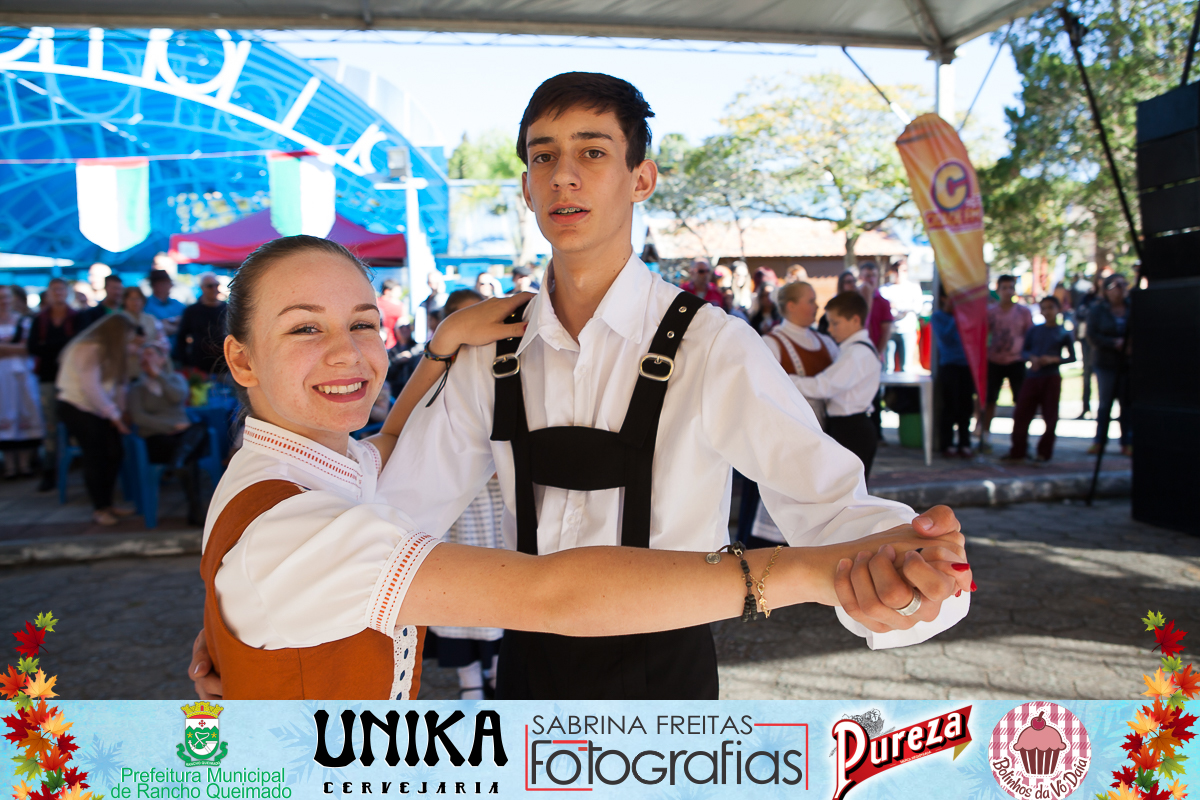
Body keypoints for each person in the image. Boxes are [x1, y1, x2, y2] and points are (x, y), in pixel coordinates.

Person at [355, 72, 970, 701]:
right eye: (544, 157)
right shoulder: (491, 351)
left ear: (641, 179)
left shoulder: (712, 345)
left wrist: (906, 569)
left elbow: (828, 501)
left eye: (593, 152)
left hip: (667, 681)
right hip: (526, 675)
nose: (564, 176)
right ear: (526, 189)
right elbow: (400, 507)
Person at [186, 235, 970, 700]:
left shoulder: (325, 470)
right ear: (240, 359)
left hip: (669, 670)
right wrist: (803, 572)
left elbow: (382, 455)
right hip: (528, 661)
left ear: (641, 175)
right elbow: (550, 593)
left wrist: (440, 347)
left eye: (363, 324)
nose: (346, 352)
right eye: (304, 329)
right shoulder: (291, 530)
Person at [747, 281, 838, 549]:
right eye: (810, 301)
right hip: (784, 435)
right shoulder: (772, 342)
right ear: (791, 306)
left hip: (821, 431)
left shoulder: (824, 342)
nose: (816, 306)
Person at [56, 314, 141, 526]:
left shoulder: (113, 353)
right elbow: (90, 388)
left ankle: (108, 503)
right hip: (77, 406)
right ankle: (100, 508)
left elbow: (120, 386)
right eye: (127, 337)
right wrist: (114, 416)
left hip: (99, 409)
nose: (129, 342)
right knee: (96, 456)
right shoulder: (88, 348)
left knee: (115, 452)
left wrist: (119, 412)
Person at [793, 291, 882, 477]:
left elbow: (823, 387)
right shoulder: (853, 350)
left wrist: (786, 379)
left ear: (855, 320)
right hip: (849, 426)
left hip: (851, 428)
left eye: (835, 323)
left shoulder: (856, 354)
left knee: (846, 488)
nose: (830, 330)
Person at [128, 343, 209, 525]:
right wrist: (171, 426)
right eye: (143, 355)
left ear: (162, 359)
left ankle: (177, 463)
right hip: (157, 437)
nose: (146, 358)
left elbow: (178, 397)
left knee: (200, 429)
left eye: (150, 354)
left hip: (183, 435)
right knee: (190, 456)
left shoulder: (175, 379)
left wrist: (159, 376)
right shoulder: (136, 388)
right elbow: (139, 418)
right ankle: (196, 512)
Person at [1004, 296, 1076, 463]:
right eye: (1044, 308)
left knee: (1050, 416)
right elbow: (1024, 351)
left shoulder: (1063, 332)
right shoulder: (1034, 330)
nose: (1047, 311)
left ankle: (1044, 453)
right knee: (1021, 413)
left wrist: (1053, 359)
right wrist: (1032, 358)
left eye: (1051, 307)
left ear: (1058, 309)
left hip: (1051, 376)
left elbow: (1072, 357)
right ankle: (1018, 451)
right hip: (1033, 376)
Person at [25, 278, 79, 491]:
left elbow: (77, 344)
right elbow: (33, 348)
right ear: (48, 293)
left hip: (72, 378)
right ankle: (50, 471)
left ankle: (78, 467)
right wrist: (61, 346)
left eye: (61, 289)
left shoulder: (75, 317)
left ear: (67, 292)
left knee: (75, 422)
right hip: (48, 377)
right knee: (51, 425)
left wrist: (48, 346)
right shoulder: (40, 320)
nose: (58, 293)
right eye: (54, 290)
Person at [978, 274, 1033, 454]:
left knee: (1021, 401)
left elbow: (1030, 336)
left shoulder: (1023, 312)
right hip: (994, 361)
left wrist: (1029, 356)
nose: (1008, 291)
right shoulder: (990, 312)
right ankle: (985, 437)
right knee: (989, 400)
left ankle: (1020, 439)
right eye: (1004, 288)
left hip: (1017, 361)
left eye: (1011, 288)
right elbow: (982, 334)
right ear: (998, 290)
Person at [0, 285, 44, 480]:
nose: (4, 301)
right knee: (4, 412)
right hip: (2, 376)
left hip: (23, 375)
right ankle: (10, 465)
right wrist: (15, 347)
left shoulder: (24, 321)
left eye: (6, 297)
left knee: (26, 410)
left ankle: (25, 463)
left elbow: (29, 348)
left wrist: (4, 348)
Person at [1087, 274, 1132, 456]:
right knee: (1105, 403)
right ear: (1106, 290)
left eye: (1123, 284)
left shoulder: (1132, 308)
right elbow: (1092, 336)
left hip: (1127, 363)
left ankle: (1127, 442)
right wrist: (1114, 343)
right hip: (1106, 363)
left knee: (1127, 403)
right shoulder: (1097, 310)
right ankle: (1099, 441)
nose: (1120, 289)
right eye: (1116, 285)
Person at [930, 290, 975, 459]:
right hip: (949, 365)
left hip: (967, 365)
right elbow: (946, 338)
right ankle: (947, 444)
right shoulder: (938, 317)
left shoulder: (967, 316)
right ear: (944, 298)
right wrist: (957, 316)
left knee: (966, 406)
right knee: (949, 406)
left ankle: (965, 443)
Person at [173, 272, 227, 377]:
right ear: (202, 288)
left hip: (225, 367)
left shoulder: (227, 309)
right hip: (199, 367)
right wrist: (185, 364)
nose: (214, 289)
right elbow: (181, 338)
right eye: (210, 286)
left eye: (216, 285)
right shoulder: (192, 311)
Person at [880, 259, 922, 373]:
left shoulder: (913, 288)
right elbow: (884, 309)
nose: (899, 273)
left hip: (907, 330)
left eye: (903, 270)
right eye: (896, 270)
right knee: (888, 367)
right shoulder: (884, 289)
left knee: (906, 367)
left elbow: (917, 307)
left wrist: (898, 306)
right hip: (889, 331)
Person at [1072, 274, 1102, 420]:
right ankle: (1086, 408)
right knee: (1087, 374)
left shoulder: (1114, 301)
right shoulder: (1088, 298)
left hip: (1106, 345)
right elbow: (1079, 314)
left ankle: (1105, 410)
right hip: (1088, 341)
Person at [145, 269, 186, 344]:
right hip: (156, 348)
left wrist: (166, 322)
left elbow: (187, 322)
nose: (171, 286)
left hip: (178, 348)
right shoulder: (146, 305)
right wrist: (176, 324)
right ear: (156, 285)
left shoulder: (177, 304)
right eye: (167, 283)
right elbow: (151, 328)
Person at [818, 269, 858, 335]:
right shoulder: (835, 304)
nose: (852, 284)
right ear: (841, 284)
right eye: (849, 282)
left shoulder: (857, 303)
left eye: (854, 281)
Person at [377, 279, 407, 350]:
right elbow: (403, 326)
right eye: (397, 291)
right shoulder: (398, 306)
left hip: (377, 344)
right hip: (393, 345)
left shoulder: (375, 302)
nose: (400, 294)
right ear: (387, 291)